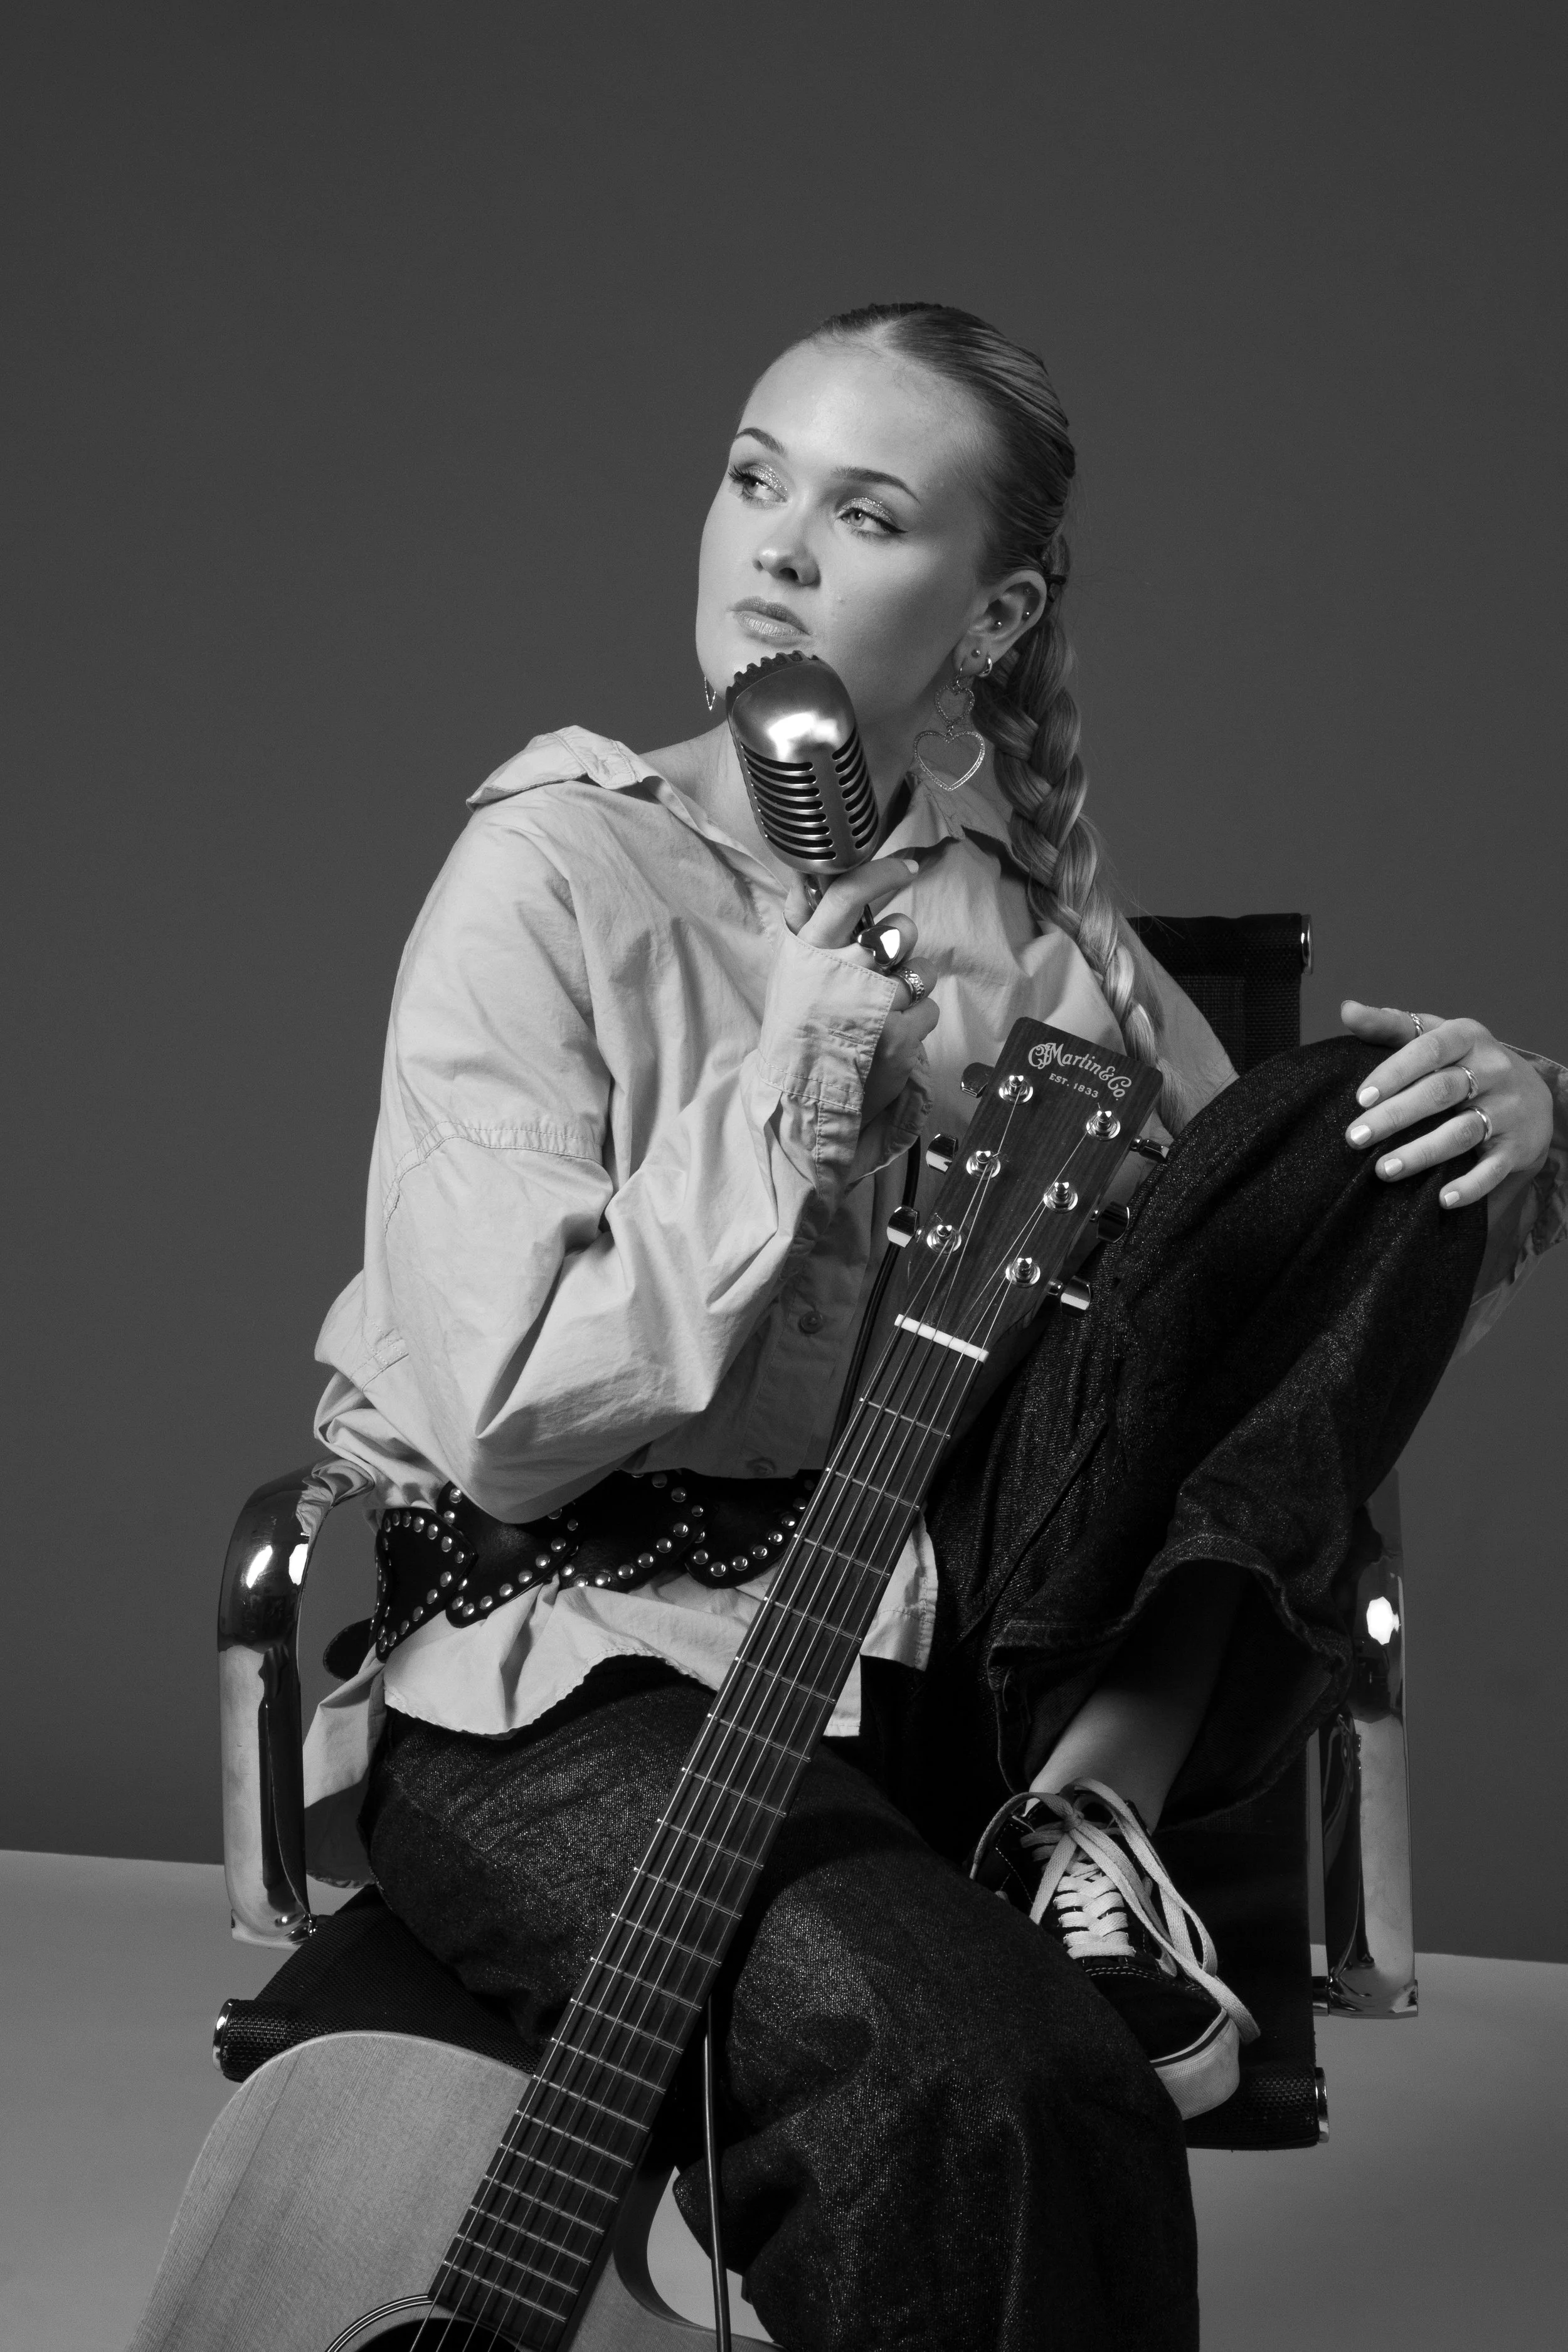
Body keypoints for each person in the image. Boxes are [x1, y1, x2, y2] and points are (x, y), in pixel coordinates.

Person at [302, 302, 1565, 2350]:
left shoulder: (1029, 934)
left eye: (864, 512)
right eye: (751, 475)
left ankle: (1097, 1809)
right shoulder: (549, 873)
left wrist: (1509, 1147)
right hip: (571, 1683)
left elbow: (1251, 1349)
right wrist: (788, 1101)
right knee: (994, 2080)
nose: (773, 548)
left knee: (1359, 1114)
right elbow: (514, 1420)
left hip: (929, 1658)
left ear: (992, 617)